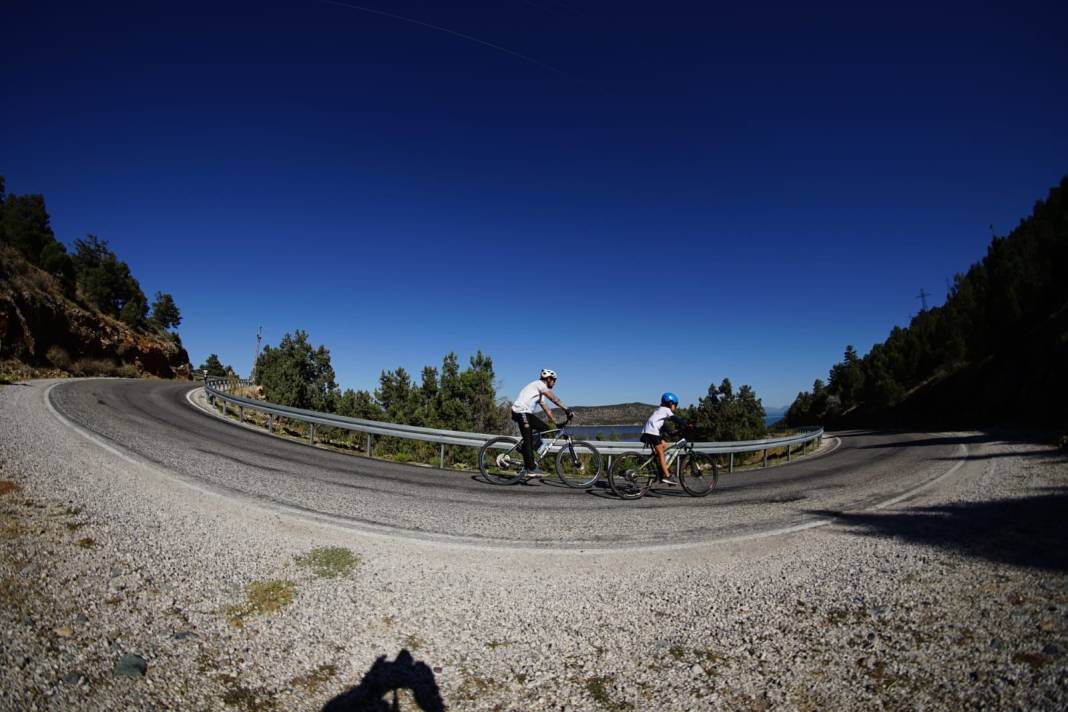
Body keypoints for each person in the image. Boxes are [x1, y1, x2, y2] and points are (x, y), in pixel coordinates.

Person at [508, 368, 574, 477]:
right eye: (554, 380)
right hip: (520, 412)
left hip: (526, 414)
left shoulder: (540, 393)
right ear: (548, 379)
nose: (554, 383)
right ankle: (531, 468)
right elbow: (554, 399)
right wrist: (567, 409)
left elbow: (546, 409)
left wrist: (556, 422)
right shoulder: (539, 384)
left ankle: (524, 448)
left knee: (546, 429)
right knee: (528, 439)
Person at [641, 392, 689, 485]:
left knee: (664, 445)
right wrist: (686, 425)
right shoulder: (666, 410)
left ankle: (661, 470)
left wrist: (673, 432)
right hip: (652, 433)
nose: (675, 407)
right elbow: (675, 419)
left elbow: (663, 426)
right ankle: (667, 475)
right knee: (661, 453)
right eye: (675, 405)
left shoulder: (659, 410)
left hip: (648, 433)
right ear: (670, 403)